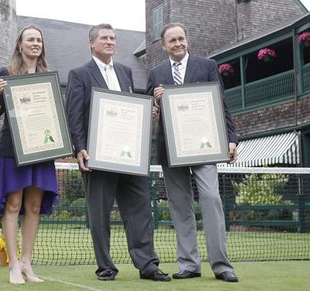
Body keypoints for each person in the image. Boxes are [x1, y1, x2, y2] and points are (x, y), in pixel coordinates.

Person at [65, 23, 170, 282]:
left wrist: (147, 113)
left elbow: (130, 109)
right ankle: (106, 267)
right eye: (104, 38)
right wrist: (79, 148)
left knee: (141, 210)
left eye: (112, 38)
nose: (109, 41)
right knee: (99, 213)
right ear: (92, 43)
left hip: (129, 155)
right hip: (97, 156)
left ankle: (148, 266)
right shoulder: (79, 74)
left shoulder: (124, 72)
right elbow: (74, 115)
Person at [146, 22, 239, 283]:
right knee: (180, 207)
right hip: (170, 150)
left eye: (181, 39)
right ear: (163, 45)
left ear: (187, 40)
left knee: (211, 199)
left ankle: (221, 266)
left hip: (204, 146)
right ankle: (189, 264)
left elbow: (222, 103)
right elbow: (148, 109)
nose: (178, 43)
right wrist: (155, 101)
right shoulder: (155, 73)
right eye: (172, 40)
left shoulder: (207, 66)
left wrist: (232, 138)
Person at [0, 26, 59, 285]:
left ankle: (28, 262)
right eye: (31, 39)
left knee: (34, 206)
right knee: (13, 204)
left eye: (39, 40)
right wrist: (0, 92)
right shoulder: (6, 73)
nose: (35, 43)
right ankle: (13, 265)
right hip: (13, 148)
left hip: (41, 147)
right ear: (20, 44)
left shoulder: (48, 77)